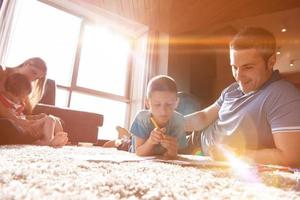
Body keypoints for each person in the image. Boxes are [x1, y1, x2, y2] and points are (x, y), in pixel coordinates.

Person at [184, 27, 300, 167]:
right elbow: (203, 117)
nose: (238, 76)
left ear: (271, 61)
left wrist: (233, 155)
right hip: (193, 140)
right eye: (234, 67)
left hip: (203, 155)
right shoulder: (232, 89)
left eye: (247, 67)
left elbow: (291, 156)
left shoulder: (282, 94)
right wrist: (171, 122)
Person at [0, 57, 68, 144]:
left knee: (54, 120)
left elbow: (23, 114)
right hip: (7, 121)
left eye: (36, 78)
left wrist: (36, 118)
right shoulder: (2, 71)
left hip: (19, 124)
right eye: (33, 72)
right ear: (27, 63)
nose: (32, 78)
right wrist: (23, 122)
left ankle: (53, 140)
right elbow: (14, 116)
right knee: (8, 125)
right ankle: (47, 141)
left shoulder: (23, 89)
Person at [130, 75, 187, 157]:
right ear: (147, 103)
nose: (163, 111)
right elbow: (138, 152)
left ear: (176, 102)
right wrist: (150, 141)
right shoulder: (142, 118)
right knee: (123, 144)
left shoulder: (179, 121)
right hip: (133, 146)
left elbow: (179, 153)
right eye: (157, 105)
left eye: (169, 104)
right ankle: (121, 139)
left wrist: (172, 151)